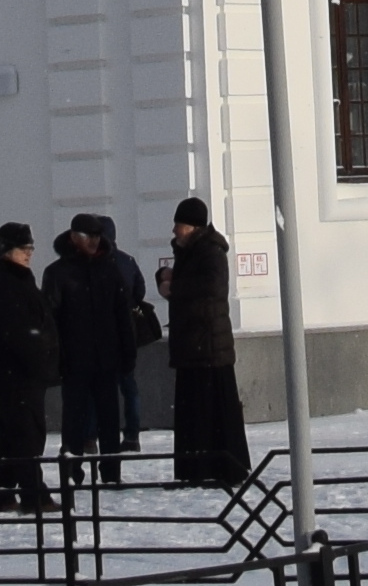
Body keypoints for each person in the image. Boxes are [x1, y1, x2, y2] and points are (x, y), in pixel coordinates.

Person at [49, 212, 149, 485]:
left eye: (96, 236)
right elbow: (51, 319)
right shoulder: (58, 273)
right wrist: (58, 357)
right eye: (87, 236)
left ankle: (111, 472)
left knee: (109, 418)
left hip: (107, 358)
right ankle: (72, 471)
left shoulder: (110, 269)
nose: (93, 241)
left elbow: (122, 314)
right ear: (73, 238)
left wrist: (127, 353)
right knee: (74, 418)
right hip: (75, 360)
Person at [163, 195, 252, 490]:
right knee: (196, 411)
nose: (175, 230)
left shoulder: (211, 252)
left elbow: (209, 288)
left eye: (180, 225)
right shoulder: (191, 252)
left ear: (194, 226)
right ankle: (198, 468)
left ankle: (219, 467)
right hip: (195, 345)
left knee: (210, 410)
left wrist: (173, 286)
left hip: (208, 346)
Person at [0, 221, 54, 514]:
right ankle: (33, 494)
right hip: (18, 371)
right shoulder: (3, 283)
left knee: (12, 433)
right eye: (23, 248)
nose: (29, 253)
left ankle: (3, 492)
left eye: (31, 247)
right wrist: (39, 356)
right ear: (6, 250)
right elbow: (17, 331)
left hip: (16, 369)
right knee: (26, 433)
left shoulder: (12, 278)